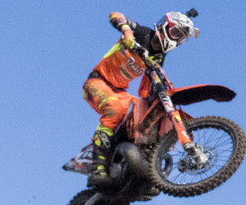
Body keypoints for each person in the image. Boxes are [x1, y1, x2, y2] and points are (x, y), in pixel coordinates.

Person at [83, 10, 199, 187]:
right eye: (175, 33)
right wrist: (127, 32)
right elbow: (115, 15)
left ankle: (135, 168)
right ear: (165, 27)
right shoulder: (142, 33)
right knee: (114, 108)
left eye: (180, 39)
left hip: (120, 91)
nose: (175, 40)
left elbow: (145, 87)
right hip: (97, 81)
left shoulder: (158, 57)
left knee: (138, 117)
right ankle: (97, 167)